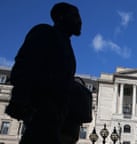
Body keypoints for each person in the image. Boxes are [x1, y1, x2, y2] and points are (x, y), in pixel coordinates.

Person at [5, 2, 86, 144]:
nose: (80, 21)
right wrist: (20, 99)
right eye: (75, 16)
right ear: (61, 17)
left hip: (58, 116)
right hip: (41, 107)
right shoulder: (44, 32)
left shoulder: (66, 44)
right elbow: (25, 64)